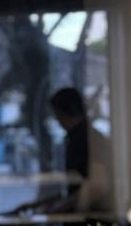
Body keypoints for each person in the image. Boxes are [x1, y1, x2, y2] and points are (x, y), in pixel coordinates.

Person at [12, 86, 114, 216]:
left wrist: (60, 208)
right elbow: (71, 190)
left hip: (88, 219)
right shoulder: (82, 138)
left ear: (61, 113)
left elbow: (97, 186)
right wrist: (38, 204)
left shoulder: (85, 140)